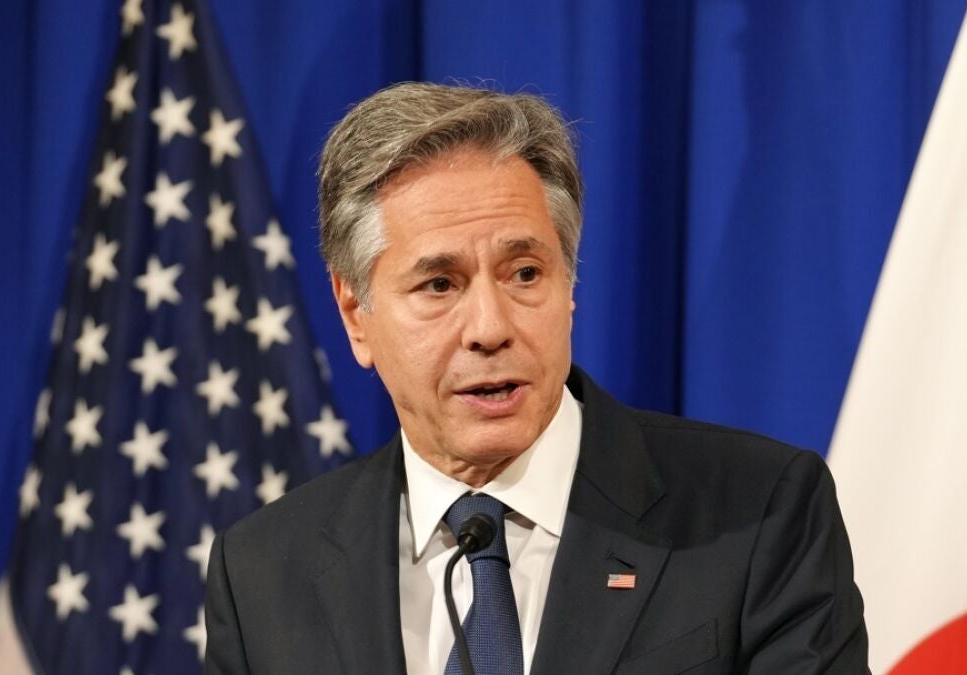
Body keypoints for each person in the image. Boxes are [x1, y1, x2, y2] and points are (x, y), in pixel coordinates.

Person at [203, 82, 868, 674]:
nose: (490, 327)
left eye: (524, 273)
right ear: (356, 314)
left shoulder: (757, 511)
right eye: (439, 284)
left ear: (568, 286)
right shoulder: (263, 570)